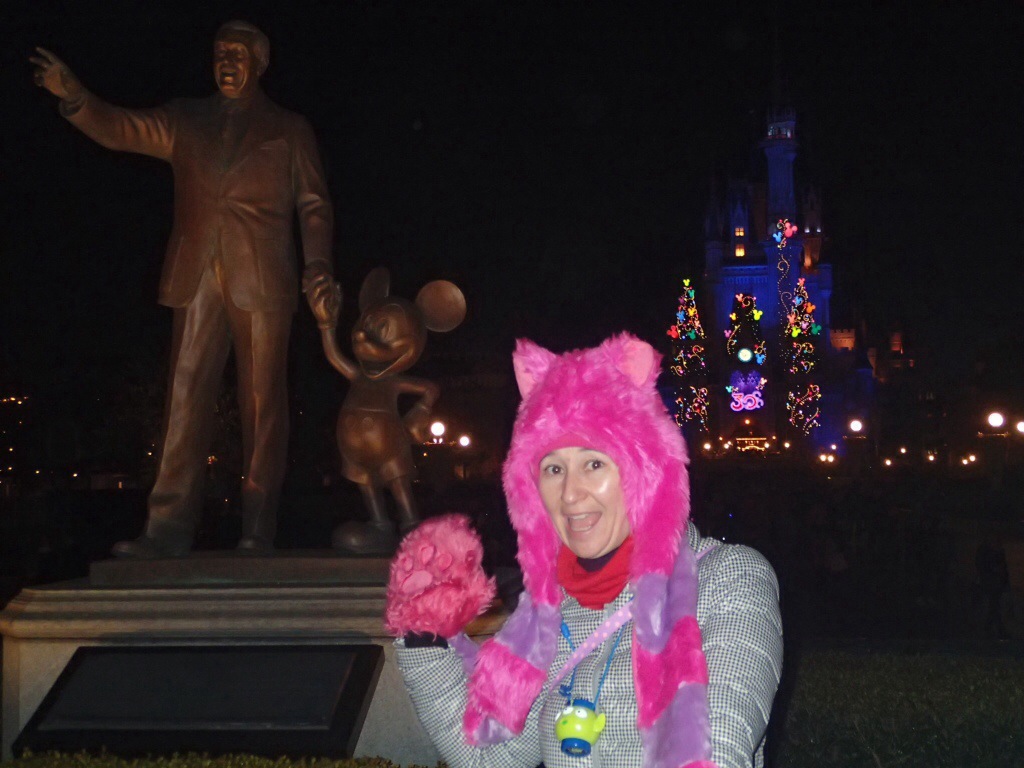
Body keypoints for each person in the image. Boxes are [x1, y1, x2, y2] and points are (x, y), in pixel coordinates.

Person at [384, 333, 783, 768]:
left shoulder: (728, 578)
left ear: (645, 471)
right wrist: (424, 628)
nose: (570, 494)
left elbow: (715, 746)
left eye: (594, 463)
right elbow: (491, 756)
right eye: (553, 469)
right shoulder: (549, 615)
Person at [30, 21, 334, 557]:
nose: (227, 62)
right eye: (220, 52)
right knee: (183, 396)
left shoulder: (289, 129)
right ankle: (166, 528)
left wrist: (318, 267)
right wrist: (77, 98)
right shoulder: (186, 118)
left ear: (260, 62)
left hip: (262, 276)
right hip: (195, 274)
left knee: (263, 405)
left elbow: (313, 204)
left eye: (237, 53)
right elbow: (124, 128)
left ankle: (257, 528)